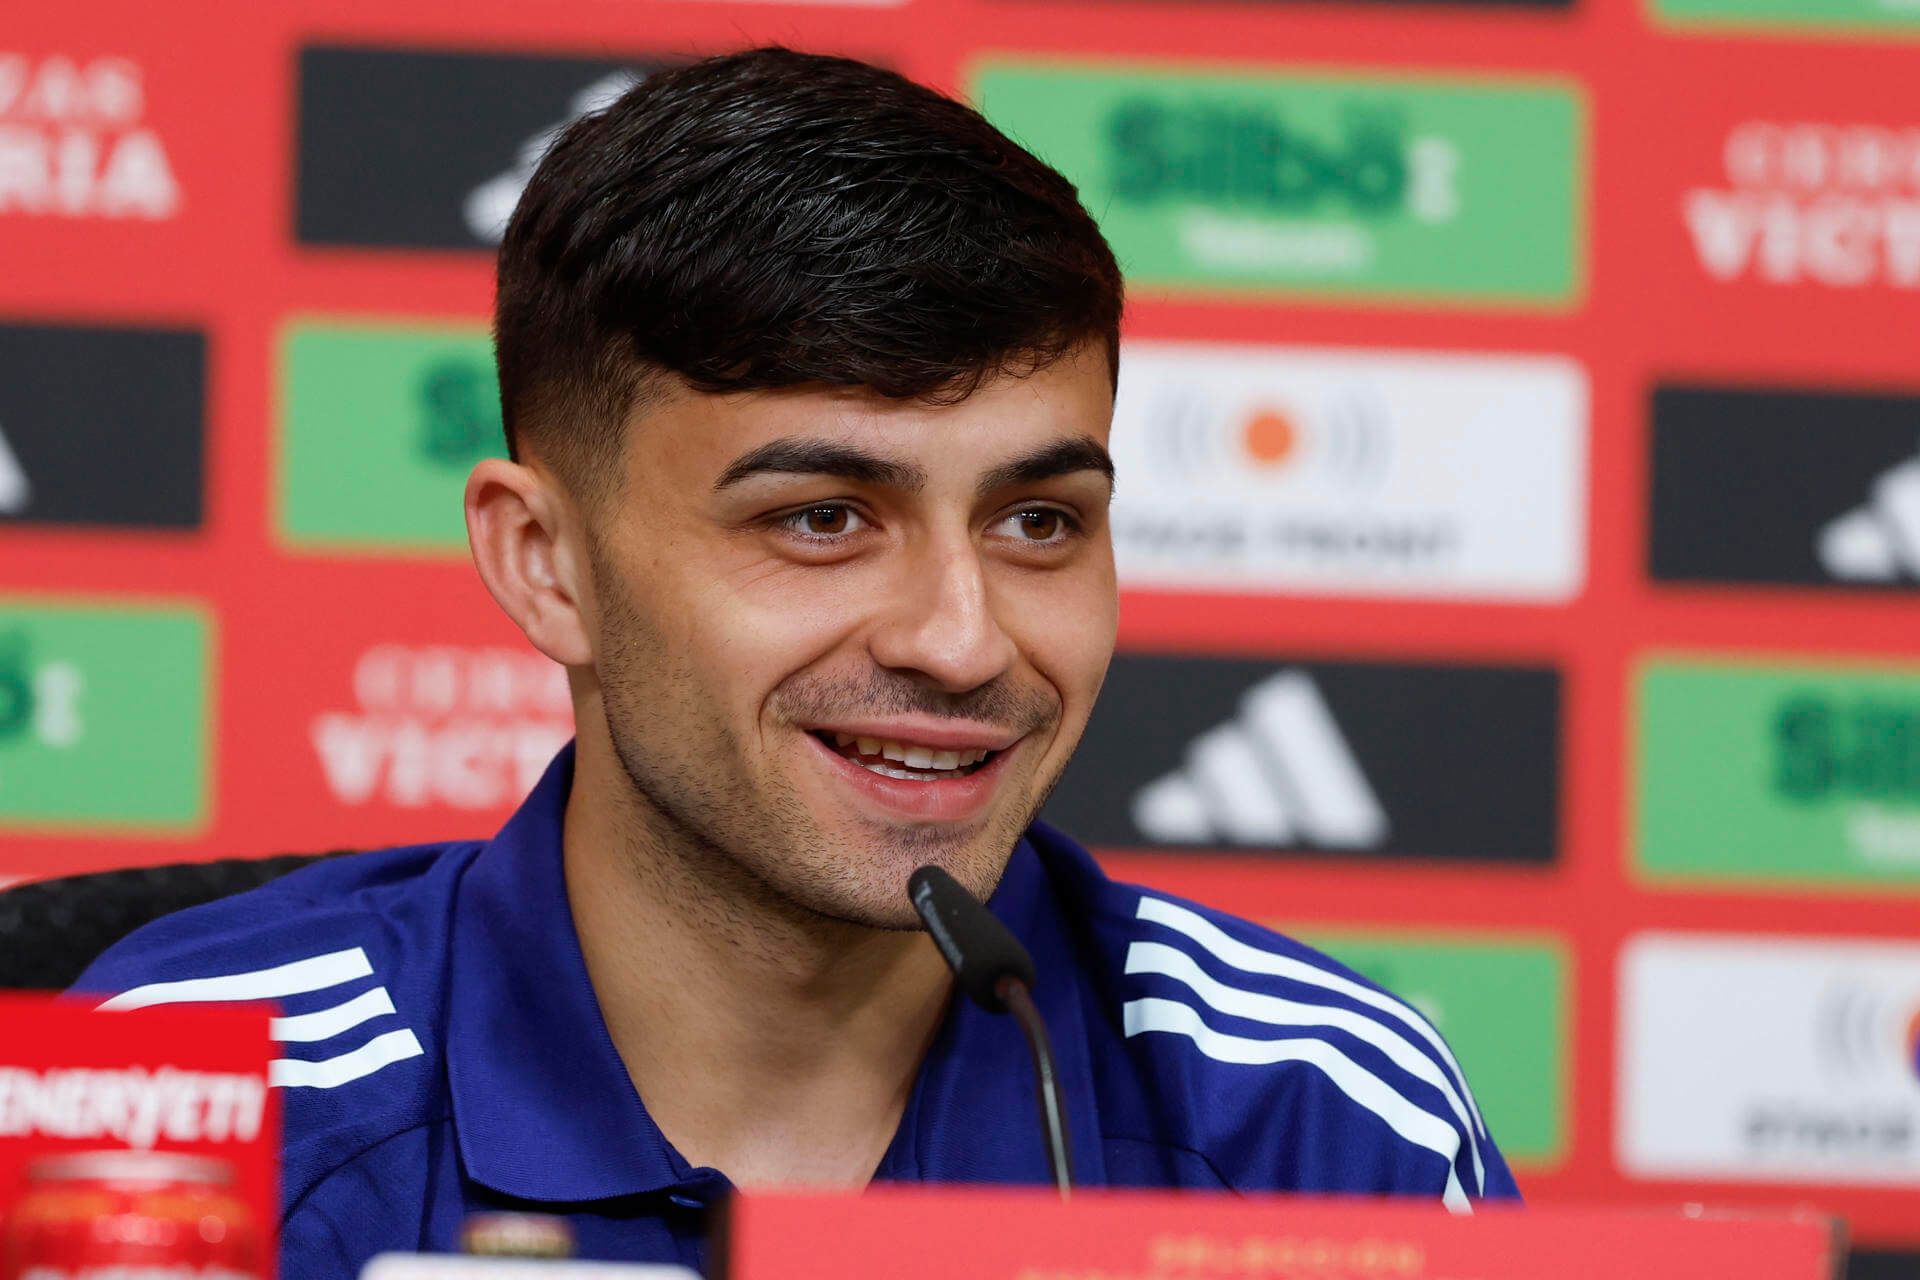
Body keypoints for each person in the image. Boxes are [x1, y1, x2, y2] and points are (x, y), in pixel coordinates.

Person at [72, 47, 1518, 1277]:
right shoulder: (193, 1106)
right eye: (823, 520)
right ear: (544, 562)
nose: (961, 639)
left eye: (1038, 520)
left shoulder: (1319, 1127)